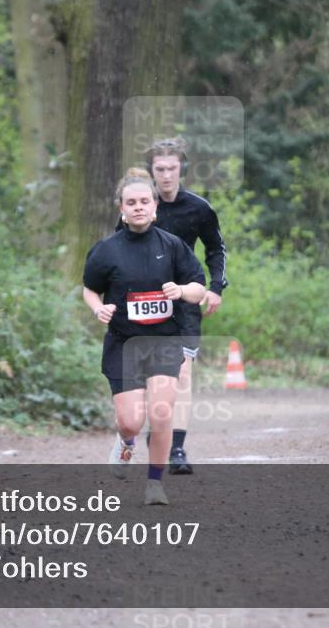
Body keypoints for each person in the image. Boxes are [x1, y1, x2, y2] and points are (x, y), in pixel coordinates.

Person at [83, 168, 206, 505]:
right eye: (131, 202)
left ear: (155, 207)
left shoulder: (173, 246)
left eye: (144, 201)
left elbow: (199, 289)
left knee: (162, 412)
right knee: (131, 421)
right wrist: (98, 309)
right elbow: (90, 289)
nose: (138, 207)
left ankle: (155, 483)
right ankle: (125, 443)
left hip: (164, 341)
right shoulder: (106, 250)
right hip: (124, 343)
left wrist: (180, 290)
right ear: (121, 209)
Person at [119, 137, 227, 474]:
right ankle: (131, 432)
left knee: (180, 374)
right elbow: (115, 251)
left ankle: (176, 448)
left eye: (172, 168)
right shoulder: (139, 205)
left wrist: (215, 287)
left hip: (183, 298)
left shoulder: (198, 208)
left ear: (182, 169)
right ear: (152, 170)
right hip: (142, 302)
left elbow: (215, 249)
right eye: (159, 169)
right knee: (143, 378)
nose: (166, 175)